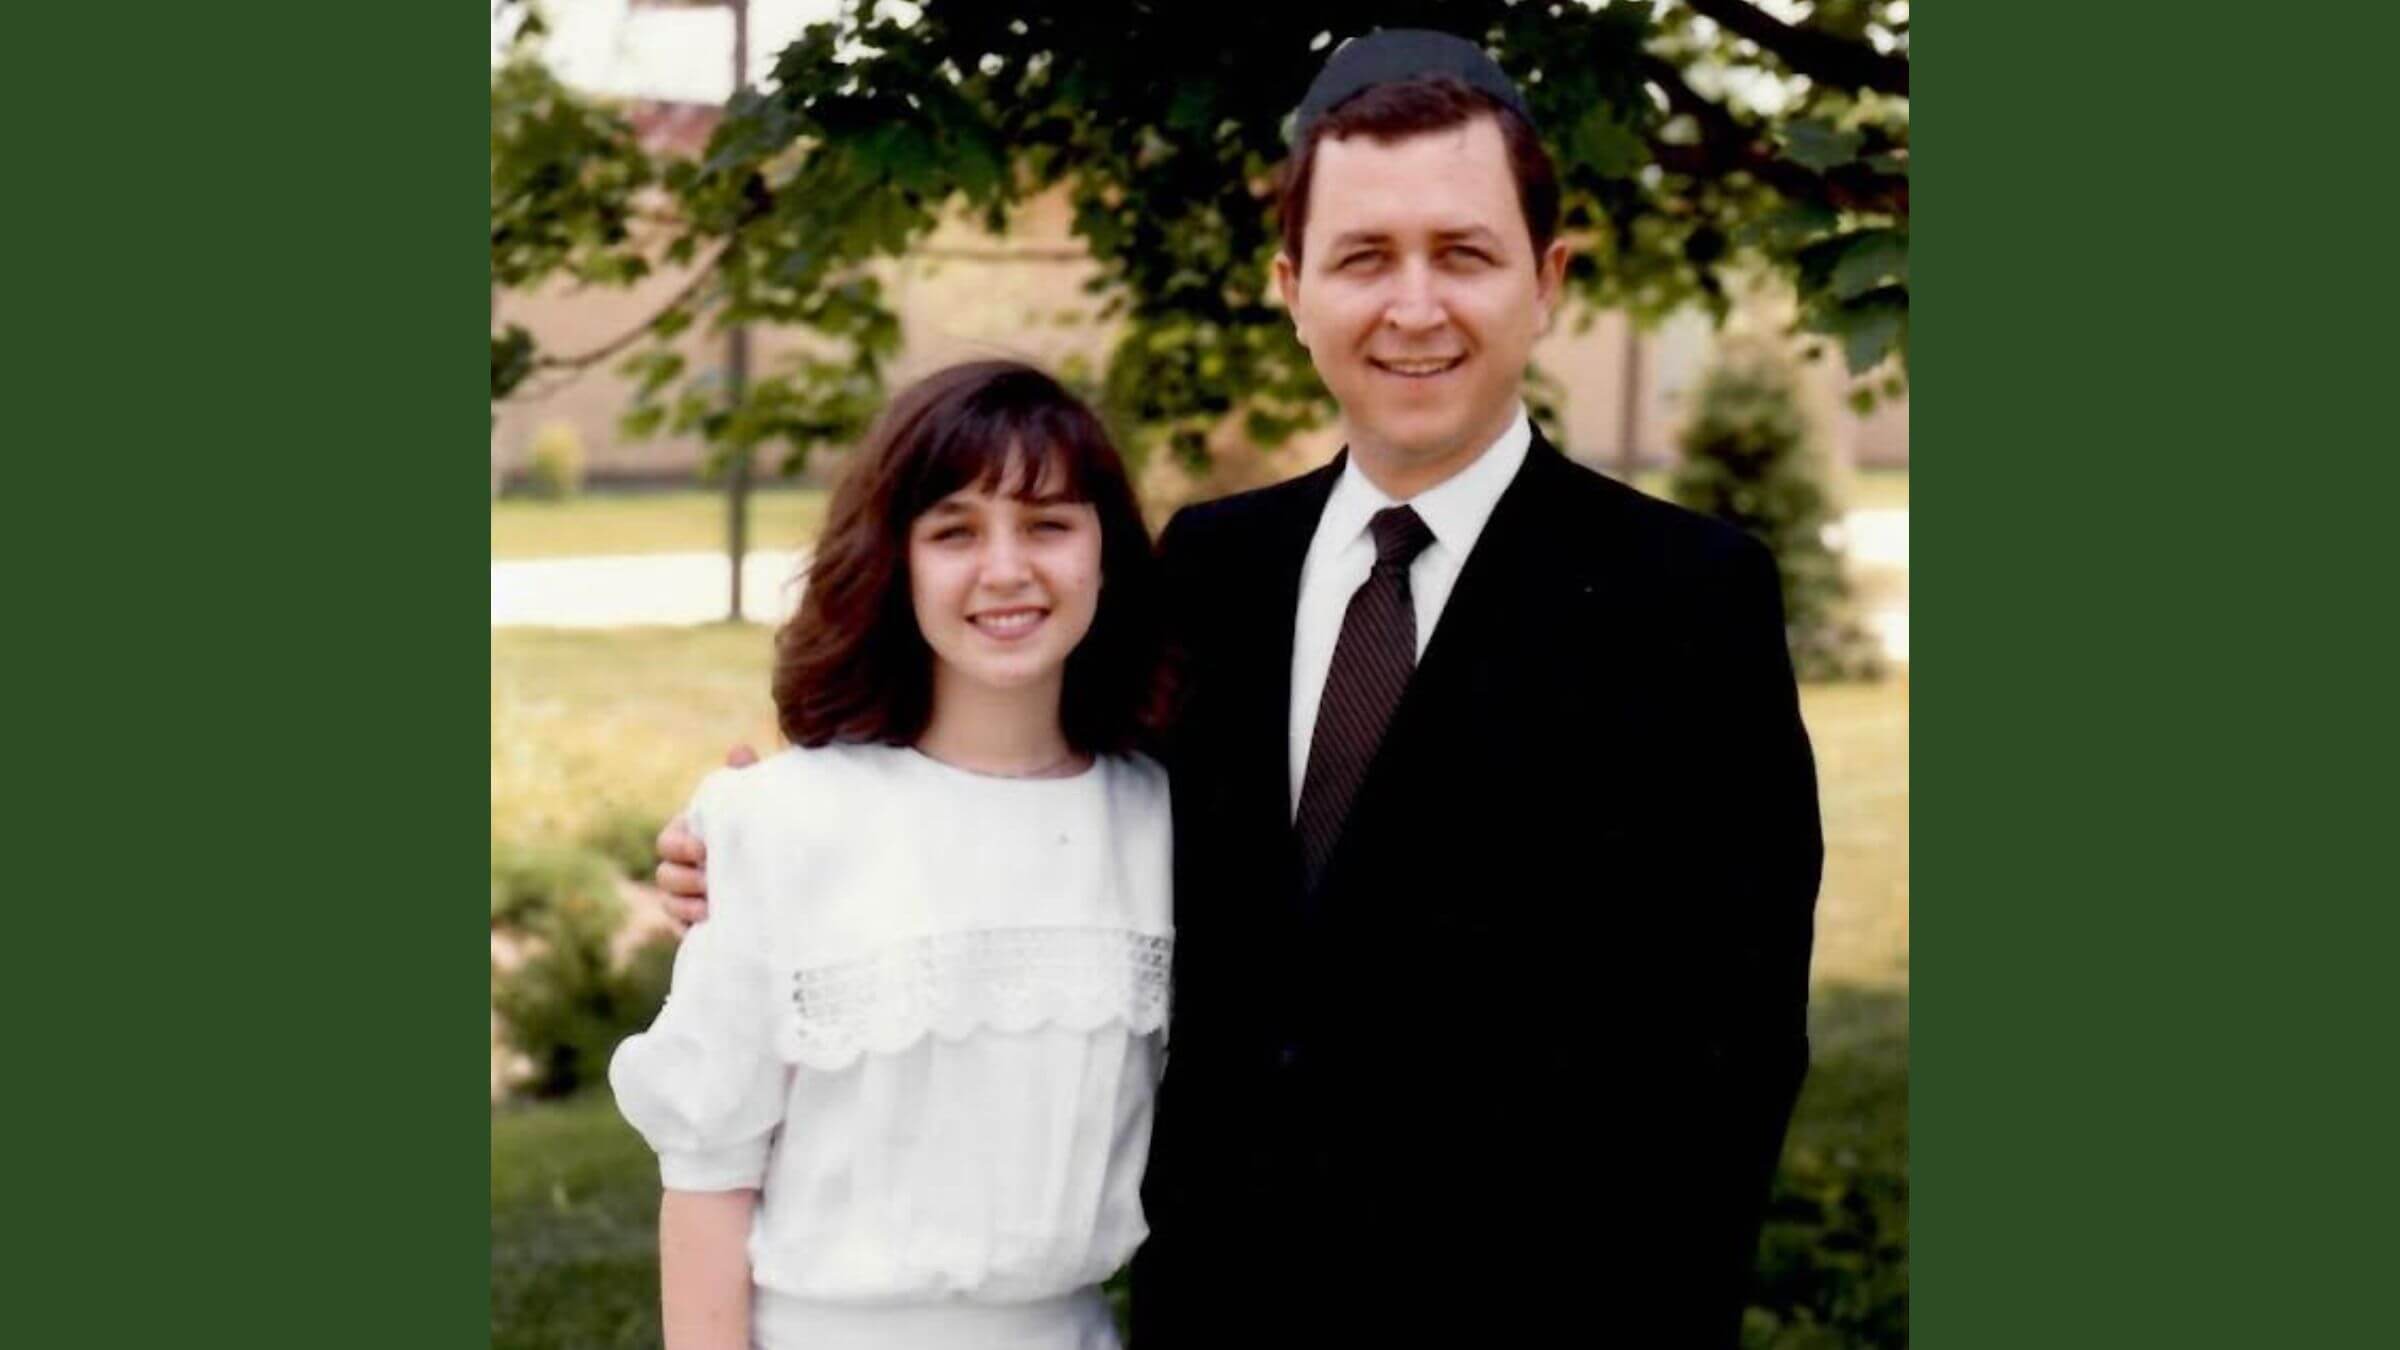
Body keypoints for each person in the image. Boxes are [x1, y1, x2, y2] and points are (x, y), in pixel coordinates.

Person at [659, 29, 1821, 1349]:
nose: (1415, 304)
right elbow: (1032, 810)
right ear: (1291, 285)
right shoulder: (1209, 570)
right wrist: (759, 856)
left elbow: (1726, 1067)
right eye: (1365, 258)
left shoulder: (1687, 596)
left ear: (1548, 280)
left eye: (1466, 253)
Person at [610, 359, 1175, 1350]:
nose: (1006, 569)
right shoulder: (781, 823)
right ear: (895, 558)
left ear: (1104, 552)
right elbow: (708, 1171)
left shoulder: (1161, 821)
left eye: (1048, 523)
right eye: (954, 531)